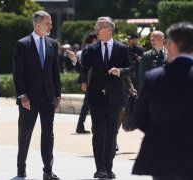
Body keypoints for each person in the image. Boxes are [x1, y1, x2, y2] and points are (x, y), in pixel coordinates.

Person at [132, 22, 193, 180]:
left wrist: (161, 131)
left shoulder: (154, 77)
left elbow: (139, 118)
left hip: (162, 154)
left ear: (171, 45)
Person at [67, 16, 131, 179]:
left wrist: (120, 71)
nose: (96, 29)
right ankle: (100, 168)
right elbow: (83, 69)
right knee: (98, 133)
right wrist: (75, 61)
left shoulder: (122, 48)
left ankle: (108, 169)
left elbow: (131, 69)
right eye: (96, 26)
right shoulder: (91, 49)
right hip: (96, 98)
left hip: (115, 98)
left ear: (109, 29)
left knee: (111, 134)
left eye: (99, 26)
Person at [13, 10, 61, 180]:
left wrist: (58, 95)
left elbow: (55, 72)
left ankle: (48, 170)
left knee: (48, 134)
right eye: (48, 23)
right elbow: (17, 73)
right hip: (29, 99)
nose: (51, 26)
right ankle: (21, 167)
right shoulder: (22, 44)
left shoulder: (52, 44)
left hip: (48, 98)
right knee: (25, 133)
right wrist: (22, 95)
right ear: (37, 24)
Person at [75, 33, 97, 134]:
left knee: (87, 105)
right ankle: (81, 126)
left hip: (95, 82)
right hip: (88, 82)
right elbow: (84, 68)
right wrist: (84, 82)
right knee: (87, 105)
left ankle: (81, 126)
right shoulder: (87, 50)